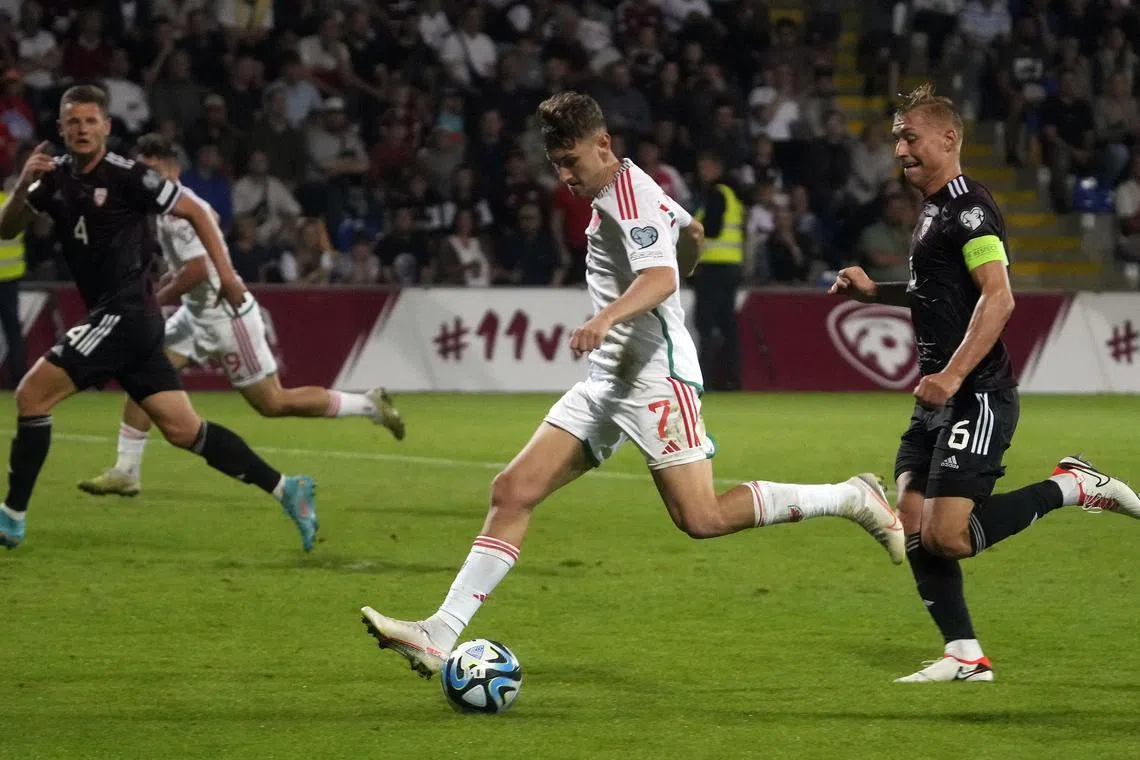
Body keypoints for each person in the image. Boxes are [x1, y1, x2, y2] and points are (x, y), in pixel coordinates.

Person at [359, 92, 905, 678]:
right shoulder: (629, 187)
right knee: (512, 491)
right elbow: (692, 232)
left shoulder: (631, 196)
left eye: (572, 161)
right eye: (556, 165)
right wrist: (680, 257)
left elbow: (662, 276)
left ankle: (851, 497)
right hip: (608, 379)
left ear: (603, 144)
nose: (565, 176)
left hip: (654, 380)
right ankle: (438, 632)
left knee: (702, 518)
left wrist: (607, 317)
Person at [829, 84, 1140, 683]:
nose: (899, 150)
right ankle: (965, 655)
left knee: (949, 537)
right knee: (912, 518)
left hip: (976, 394)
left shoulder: (969, 208)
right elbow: (937, 295)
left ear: (949, 139)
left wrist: (951, 375)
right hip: (940, 396)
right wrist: (875, 293)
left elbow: (999, 298)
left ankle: (1072, 486)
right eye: (896, 139)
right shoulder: (932, 211)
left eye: (910, 137)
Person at [0, 86, 319, 551]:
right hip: (133, 322)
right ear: (62, 129)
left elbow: (195, 212)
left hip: (124, 313)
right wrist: (23, 184)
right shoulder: (53, 177)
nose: (82, 129)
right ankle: (288, 488)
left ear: (106, 126)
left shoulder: (129, 176)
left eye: (90, 121)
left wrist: (228, 275)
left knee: (31, 396)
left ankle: (11, 516)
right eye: (73, 122)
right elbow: (7, 228)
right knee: (184, 430)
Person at [76, 133, 405, 499]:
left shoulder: (178, 215)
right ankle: (126, 470)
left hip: (227, 318)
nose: (147, 181)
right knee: (143, 374)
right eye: (143, 173)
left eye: (155, 172)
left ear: (174, 171)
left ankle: (367, 405)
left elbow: (196, 271)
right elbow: (187, 265)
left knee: (272, 403)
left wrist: (153, 301)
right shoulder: (172, 208)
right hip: (196, 316)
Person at [692, 152, 744, 391]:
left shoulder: (716, 194)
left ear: (718, 168)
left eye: (707, 167)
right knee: (726, 324)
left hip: (713, 268)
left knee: (705, 324)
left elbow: (712, 229)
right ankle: (732, 378)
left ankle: (704, 377)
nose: (703, 172)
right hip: (731, 266)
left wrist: (692, 228)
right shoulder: (732, 195)